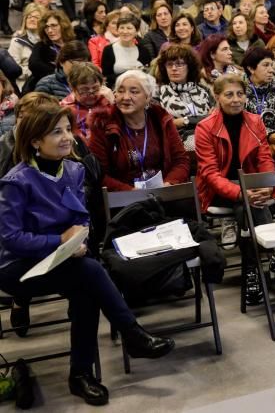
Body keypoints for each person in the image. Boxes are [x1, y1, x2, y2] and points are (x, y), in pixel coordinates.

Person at [0, 100, 174, 406]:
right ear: (35, 141)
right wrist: (59, 241)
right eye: (56, 132)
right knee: (90, 273)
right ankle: (126, 339)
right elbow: (10, 238)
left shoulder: (75, 170)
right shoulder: (17, 181)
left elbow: (81, 216)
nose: (67, 137)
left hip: (61, 260)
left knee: (87, 286)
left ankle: (83, 374)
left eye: (68, 129)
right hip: (18, 267)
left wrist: (79, 237)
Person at [194, 74, 275, 306]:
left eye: (240, 94)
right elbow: (210, 174)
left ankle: (252, 272)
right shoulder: (205, 128)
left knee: (246, 208)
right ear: (217, 96)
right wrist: (242, 192)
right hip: (219, 188)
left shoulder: (254, 121)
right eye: (229, 94)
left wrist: (267, 184)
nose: (236, 99)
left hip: (250, 184)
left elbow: (265, 159)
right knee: (246, 204)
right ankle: (273, 256)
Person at [88, 70, 190, 192]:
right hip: (123, 200)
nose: (126, 97)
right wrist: (130, 192)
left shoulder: (160, 119)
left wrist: (168, 184)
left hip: (163, 193)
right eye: (120, 91)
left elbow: (181, 161)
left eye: (134, 92)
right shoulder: (103, 124)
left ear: (148, 97)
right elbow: (100, 175)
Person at [154, 43, 214, 150]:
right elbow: (160, 124)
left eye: (179, 64)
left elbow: (214, 118)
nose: (174, 68)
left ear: (189, 67)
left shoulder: (204, 90)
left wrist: (184, 121)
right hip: (175, 143)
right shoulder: (158, 92)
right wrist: (202, 118)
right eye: (169, 64)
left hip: (207, 138)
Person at [28, 10, 74, 93]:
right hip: (47, 87)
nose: (49, 30)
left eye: (54, 26)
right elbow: (34, 65)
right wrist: (60, 73)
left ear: (63, 26)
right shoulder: (41, 46)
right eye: (46, 27)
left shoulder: (74, 44)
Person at [9, 3, 44, 79]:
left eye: (36, 17)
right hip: (24, 83)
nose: (32, 19)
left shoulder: (47, 41)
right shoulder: (17, 41)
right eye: (29, 17)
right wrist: (35, 72)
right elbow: (12, 69)